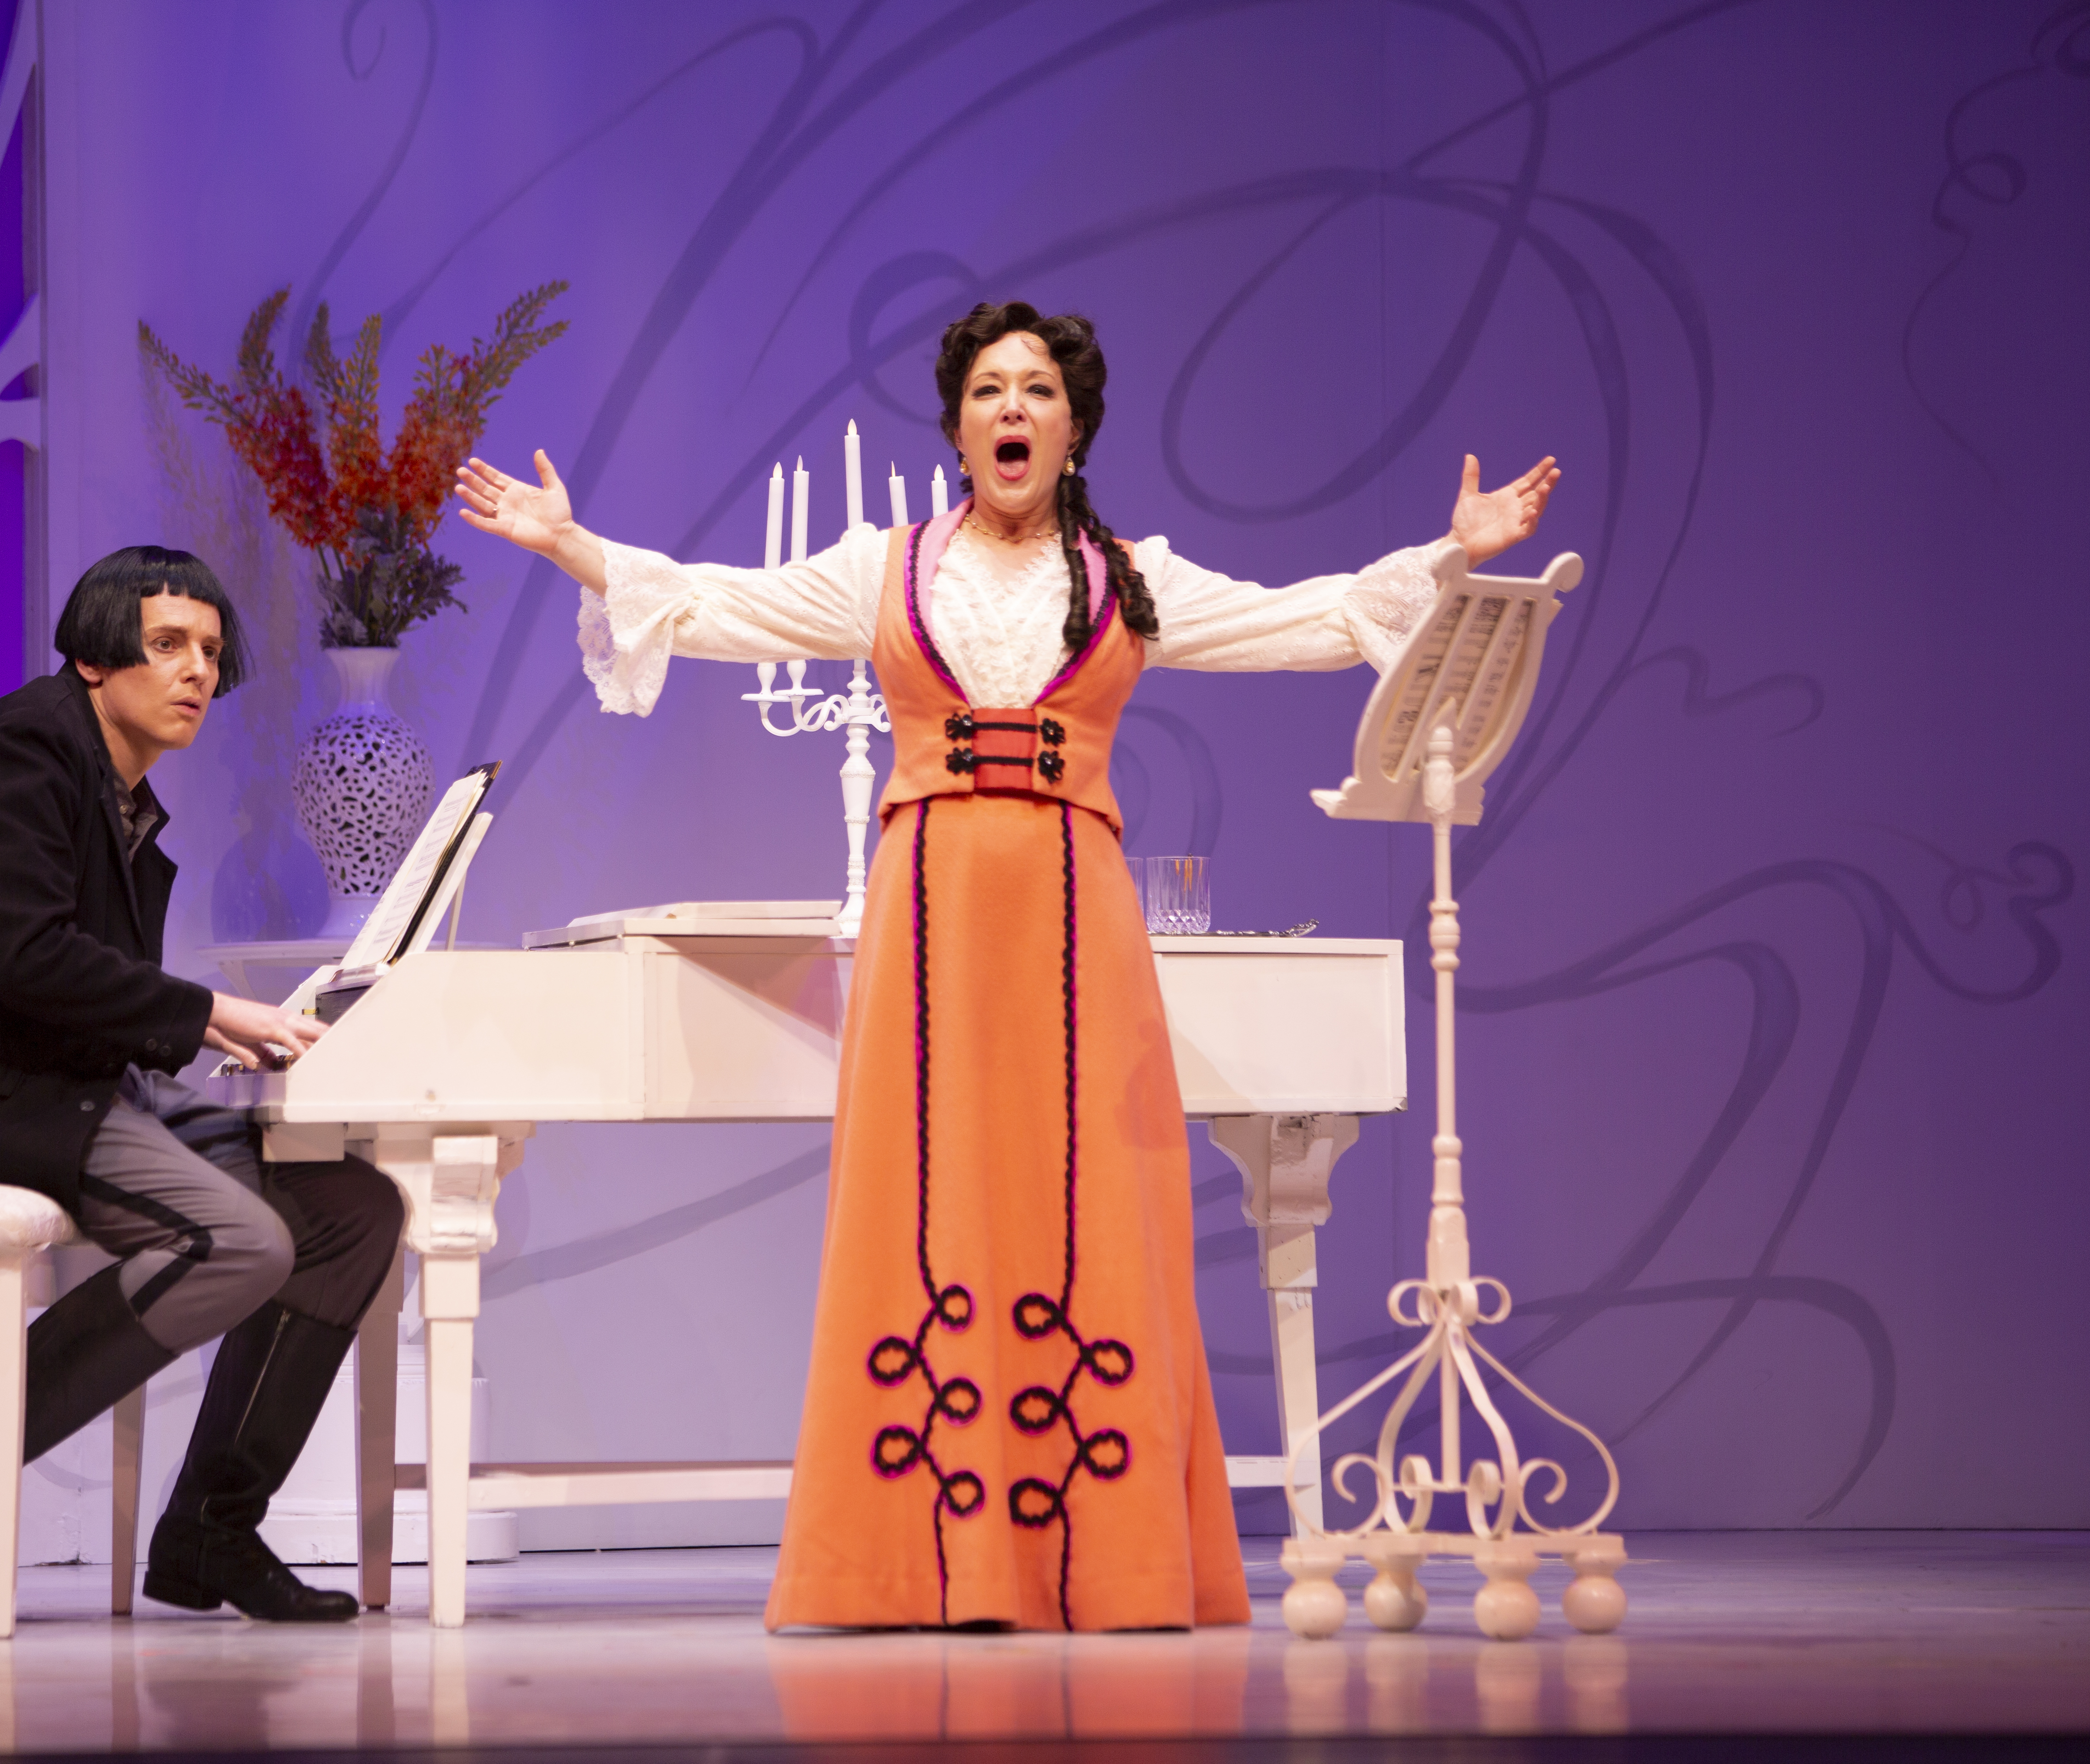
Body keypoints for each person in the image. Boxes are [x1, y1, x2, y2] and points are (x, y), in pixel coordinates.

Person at [452, 301, 1558, 1632]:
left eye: (1037, 389)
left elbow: (1310, 619)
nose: (1013, 409)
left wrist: (1453, 556)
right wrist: (575, 545)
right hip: (930, 905)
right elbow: (715, 604)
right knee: (931, 1194)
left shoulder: (1128, 579)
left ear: (1074, 425)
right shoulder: (887, 569)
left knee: (1087, 1194)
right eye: (988, 390)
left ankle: (1106, 1556)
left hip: (1077, 909)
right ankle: (910, 1557)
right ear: (959, 426)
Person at [0, 545, 404, 1631]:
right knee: (244, 1240)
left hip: (59, 1083)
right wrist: (210, 1013)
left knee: (356, 1210)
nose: (197, 674)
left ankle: (211, 1529)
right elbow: (26, 957)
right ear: (94, 658)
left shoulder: (117, 792)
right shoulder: (24, 747)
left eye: (213, 654)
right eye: (168, 645)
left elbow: (88, 992)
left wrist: (190, 1044)